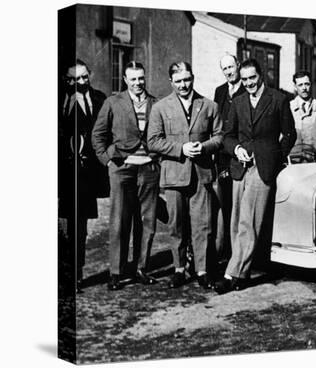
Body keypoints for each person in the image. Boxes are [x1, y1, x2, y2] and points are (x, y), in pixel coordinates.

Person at [215, 59, 296, 294]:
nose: (249, 83)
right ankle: (242, 269)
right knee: (236, 220)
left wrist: (274, 157)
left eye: (253, 77)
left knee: (248, 221)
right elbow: (227, 136)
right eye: (245, 79)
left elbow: (289, 135)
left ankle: (233, 273)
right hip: (240, 167)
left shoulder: (278, 99)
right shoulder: (238, 102)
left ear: (261, 76)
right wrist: (236, 149)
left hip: (263, 169)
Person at [148, 61, 223, 289]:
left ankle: (201, 270)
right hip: (174, 175)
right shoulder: (160, 107)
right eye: (178, 81)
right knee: (176, 226)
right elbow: (153, 141)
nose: (183, 85)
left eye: (187, 79)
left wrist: (205, 147)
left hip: (201, 175)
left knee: (203, 225)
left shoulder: (209, 105)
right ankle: (179, 269)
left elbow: (220, 136)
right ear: (171, 82)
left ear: (193, 78)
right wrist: (180, 148)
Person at [92, 61, 160, 291]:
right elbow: (98, 135)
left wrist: (156, 161)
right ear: (125, 79)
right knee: (119, 221)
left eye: (141, 78)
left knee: (147, 222)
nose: (138, 83)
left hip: (148, 170)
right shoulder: (113, 102)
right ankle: (116, 273)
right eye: (133, 79)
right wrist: (108, 160)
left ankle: (141, 268)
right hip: (122, 169)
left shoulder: (155, 103)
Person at [59, 59, 107, 293]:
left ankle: (76, 275)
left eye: (83, 77)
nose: (79, 83)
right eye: (73, 79)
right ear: (66, 80)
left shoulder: (100, 99)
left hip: (88, 175)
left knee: (80, 226)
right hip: (62, 172)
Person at [213, 54, 247, 264]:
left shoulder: (248, 90)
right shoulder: (220, 92)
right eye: (224, 68)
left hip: (241, 154)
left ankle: (241, 252)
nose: (228, 71)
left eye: (231, 67)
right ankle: (226, 251)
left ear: (238, 66)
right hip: (223, 157)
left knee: (241, 207)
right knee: (225, 205)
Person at [289, 70, 316, 152]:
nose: (304, 88)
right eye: (300, 85)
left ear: (311, 84)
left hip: (314, 157)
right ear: (295, 87)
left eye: (307, 84)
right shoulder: (288, 107)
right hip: (293, 157)